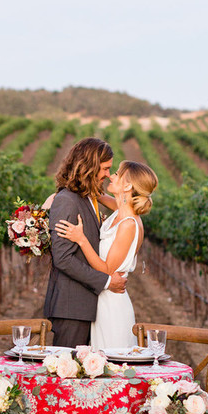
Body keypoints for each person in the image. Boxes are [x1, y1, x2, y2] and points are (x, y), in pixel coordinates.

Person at [55, 160, 158, 349]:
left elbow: (107, 270)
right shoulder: (122, 210)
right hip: (102, 299)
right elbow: (98, 195)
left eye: (117, 173)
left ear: (127, 185)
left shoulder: (129, 224)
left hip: (112, 305)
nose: (111, 175)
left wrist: (81, 239)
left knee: (112, 361)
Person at [43, 137, 127, 348]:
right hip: (72, 308)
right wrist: (107, 281)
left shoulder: (88, 197)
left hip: (87, 305)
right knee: (67, 375)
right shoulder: (67, 200)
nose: (108, 175)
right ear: (88, 166)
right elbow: (62, 259)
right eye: (105, 169)